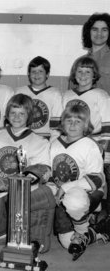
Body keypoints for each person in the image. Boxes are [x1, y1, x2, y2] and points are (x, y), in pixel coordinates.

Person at [0, 94, 55, 252]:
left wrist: (12, 183)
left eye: (22, 113)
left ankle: (33, 235)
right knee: (0, 238)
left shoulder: (39, 142)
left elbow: (43, 172)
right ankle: (1, 230)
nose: (16, 117)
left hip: (20, 194)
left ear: (29, 116)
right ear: (7, 114)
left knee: (40, 194)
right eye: (13, 112)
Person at [49, 104, 108, 260]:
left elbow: (97, 178)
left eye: (78, 121)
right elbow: (50, 173)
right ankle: (97, 231)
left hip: (87, 193)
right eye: (69, 120)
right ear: (62, 123)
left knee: (73, 200)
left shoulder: (90, 145)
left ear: (86, 125)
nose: (73, 124)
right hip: (61, 195)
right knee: (68, 244)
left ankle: (82, 230)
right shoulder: (54, 143)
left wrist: (66, 187)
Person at [62, 56, 110, 222]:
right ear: (74, 74)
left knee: (97, 180)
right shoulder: (67, 95)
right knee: (76, 179)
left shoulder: (101, 95)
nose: (83, 75)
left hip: (95, 142)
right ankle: (78, 213)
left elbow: (107, 125)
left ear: (94, 74)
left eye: (87, 71)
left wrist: (105, 150)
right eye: (79, 71)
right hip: (73, 143)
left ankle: (100, 214)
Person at [15, 56, 63, 140]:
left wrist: (53, 143)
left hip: (45, 141)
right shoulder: (19, 92)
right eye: (33, 71)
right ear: (29, 74)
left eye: (40, 71)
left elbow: (56, 126)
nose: (36, 74)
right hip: (23, 139)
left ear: (47, 74)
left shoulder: (55, 94)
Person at [82, 12, 110, 94]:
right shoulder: (80, 61)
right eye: (95, 29)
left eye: (104, 30)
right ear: (88, 32)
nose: (99, 33)